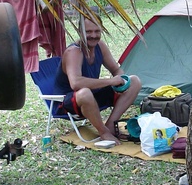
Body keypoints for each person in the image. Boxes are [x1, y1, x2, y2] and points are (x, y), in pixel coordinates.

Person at [55, 17, 141, 145]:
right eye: (88, 32)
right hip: (68, 102)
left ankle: (110, 126)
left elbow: (116, 70)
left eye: (97, 31)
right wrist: (110, 81)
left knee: (135, 81)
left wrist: (122, 82)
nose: (93, 36)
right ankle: (103, 132)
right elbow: (76, 83)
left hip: (93, 95)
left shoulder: (100, 46)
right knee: (84, 93)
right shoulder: (74, 52)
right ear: (80, 32)